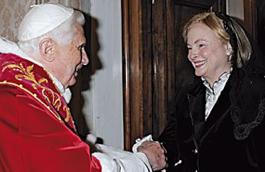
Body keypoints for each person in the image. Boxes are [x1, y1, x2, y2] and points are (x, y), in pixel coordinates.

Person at [0, 3, 166, 172]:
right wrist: (144, 161)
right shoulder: (22, 101)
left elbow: (66, 151)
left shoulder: (21, 87)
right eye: (80, 47)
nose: (86, 59)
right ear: (48, 49)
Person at [134, 12, 265, 172]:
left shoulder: (256, 93)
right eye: (189, 48)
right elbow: (171, 144)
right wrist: (151, 149)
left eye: (201, 45)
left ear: (229, 46)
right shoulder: (186, 96)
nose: (192, 54)